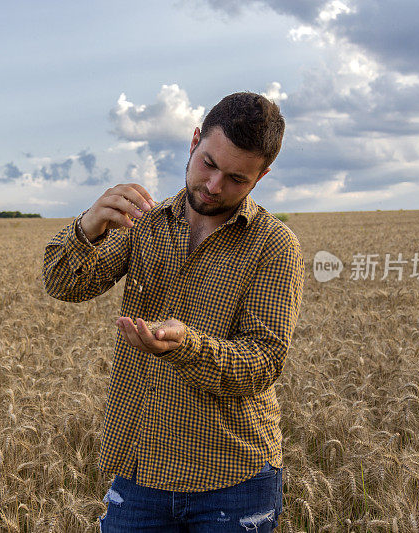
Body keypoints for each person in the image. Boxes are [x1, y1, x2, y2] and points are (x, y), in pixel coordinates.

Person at [42, 92, 304, 532]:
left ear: (262, 176)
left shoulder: (275, 245)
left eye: (237, 178)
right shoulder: (143, 222)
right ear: (194, 141)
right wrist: (88, 227)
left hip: (234, 478)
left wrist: (186, 346)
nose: (214, 185)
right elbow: (65, 284)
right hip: (143, 468)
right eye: (208, 163)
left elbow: (263, 361)